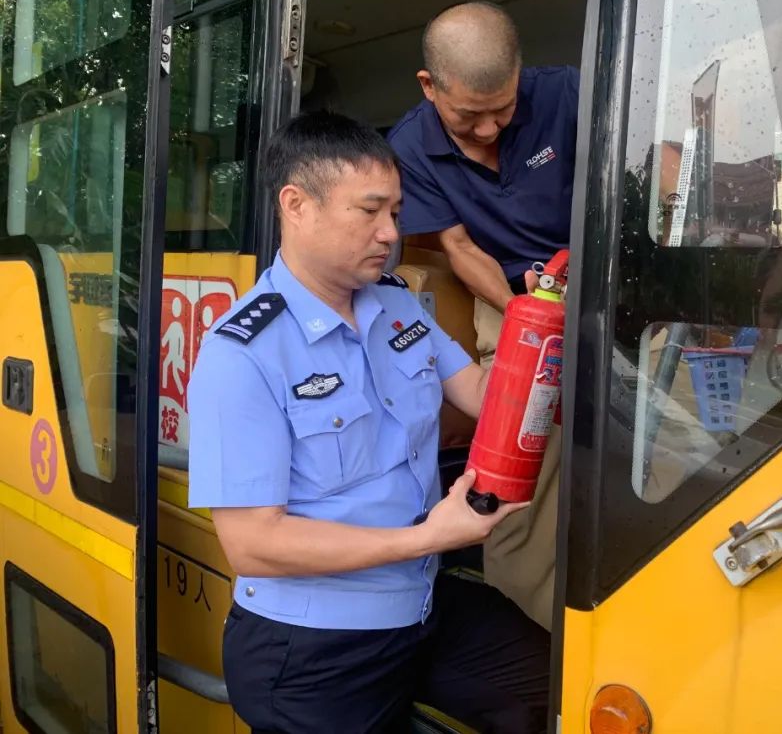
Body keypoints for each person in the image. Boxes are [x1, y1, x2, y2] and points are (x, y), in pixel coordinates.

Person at [187, 111, 549, 734]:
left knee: (561, 685)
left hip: (421, 601)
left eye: (397, 213)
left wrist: (543, 333)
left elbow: (486, 394)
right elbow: (253, 545)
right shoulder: (242, 353)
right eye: (370, 211)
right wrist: (432, 537)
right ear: (297, 205)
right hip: (315, 650)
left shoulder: (396, 302)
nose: (390, 233)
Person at [388, 1, 577, 631]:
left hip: (594, 282)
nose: (491, 129)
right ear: (429, 85)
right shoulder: (409, 146)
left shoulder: (567, 96)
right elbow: (461, 249)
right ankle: (523, 616)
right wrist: (529, 315)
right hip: (508, 298)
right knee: (521, 449)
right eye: (471, 114)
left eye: (504, 108)